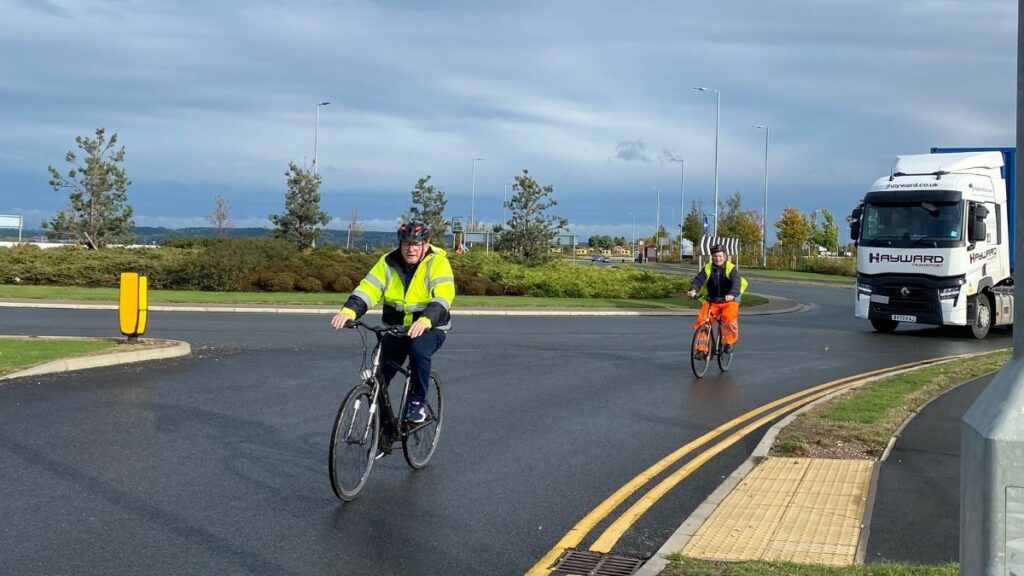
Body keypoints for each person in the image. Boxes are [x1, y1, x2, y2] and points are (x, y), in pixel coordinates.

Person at [330, 220, 455, 423]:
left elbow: (443, 297)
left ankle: (417, 402)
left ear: (426, 243)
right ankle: (383, 431)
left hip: (430, 327)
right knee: (379, 376)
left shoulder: (438, 263)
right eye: (406, 244)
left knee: (418, 351)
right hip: (396, 328)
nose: (411, 249)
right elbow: (369, 289)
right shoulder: (388, 262)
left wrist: (426, 320)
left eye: (416, 244)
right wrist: (349, 311)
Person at [686, 244, 747, 354]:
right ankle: (701, 349)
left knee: (728, 318)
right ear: (712, 257)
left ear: (724, 256)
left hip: (730, 300)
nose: (717, 258)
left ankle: (729, 342)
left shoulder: (731, 268)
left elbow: (736, 283)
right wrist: (693, 289)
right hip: (713, 300)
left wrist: (732, 294)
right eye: (715, 256)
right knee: (702, 321)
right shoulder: (708, 268)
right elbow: (698, 280)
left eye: (720, 256)